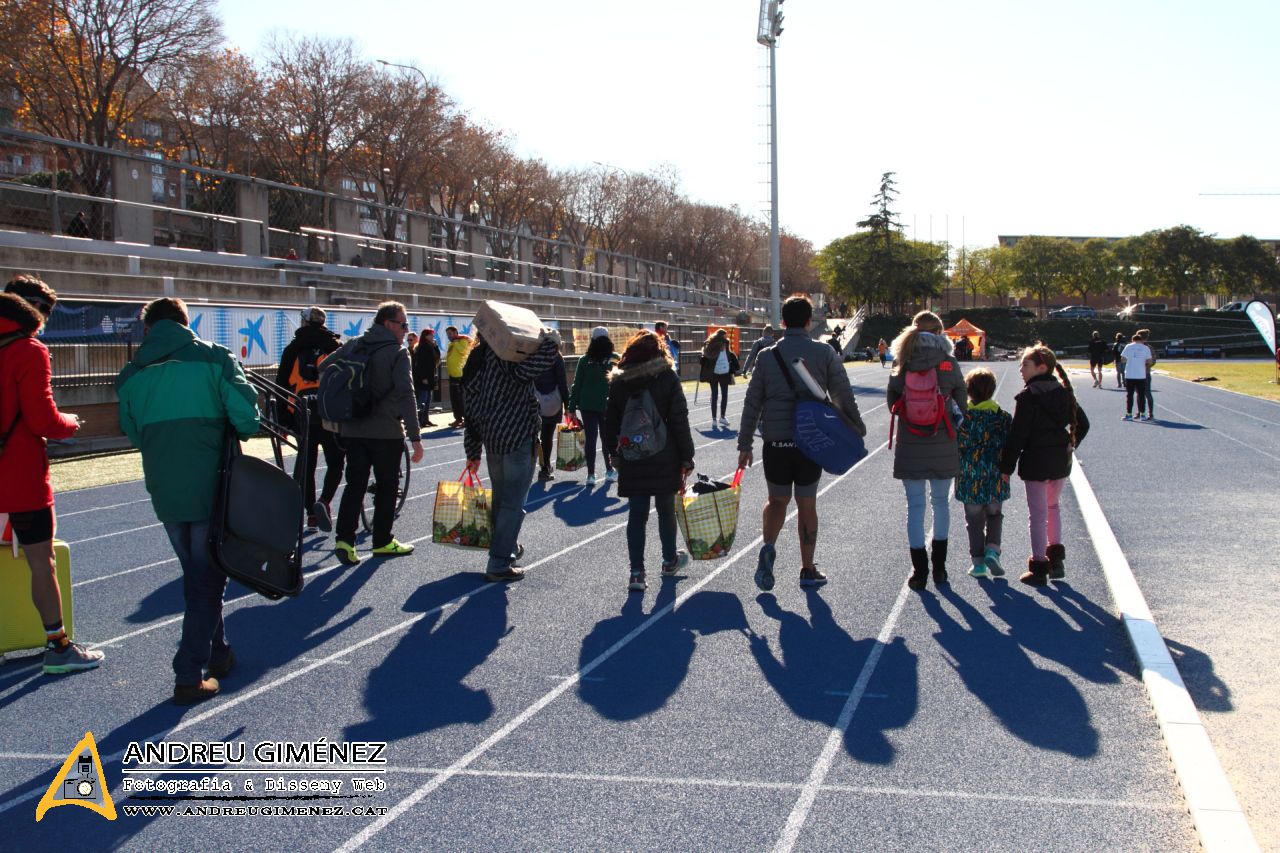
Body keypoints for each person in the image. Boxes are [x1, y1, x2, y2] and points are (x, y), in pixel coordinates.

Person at [116, 297, 259, 704]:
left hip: (164, 485)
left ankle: (219, 653)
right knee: (209, 578)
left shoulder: (130, 374)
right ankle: (188, 674)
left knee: (197, 576)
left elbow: (134, 432)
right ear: (184, 321)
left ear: (148, 328)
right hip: (212, 481)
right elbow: (248, 419)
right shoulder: (215, 358)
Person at [0, 277, 101, 675]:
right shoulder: (29, 350)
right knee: (41, 561)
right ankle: (58, 647)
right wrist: (70, 423)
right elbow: (43, 418)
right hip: (20, 478)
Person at [738, 295, 866, 591]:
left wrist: (745, 443)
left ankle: (768, 546)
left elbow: (752, 402)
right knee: (806, 503)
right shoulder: (824, 353)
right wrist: (856, 428)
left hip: (776, 441)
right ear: (810, 321)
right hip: (811, 440)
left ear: (782, 321)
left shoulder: (767, 356)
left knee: (776, 500)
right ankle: (807, 570)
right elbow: (843, 395)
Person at [463, 327, 561, 582]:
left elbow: (470, 411)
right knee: (512, 503)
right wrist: (550, 340)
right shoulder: (507, 357)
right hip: (517, 436)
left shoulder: (475, 360)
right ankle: (498, 562)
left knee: (501, 500)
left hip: (491, 439)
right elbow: (534, 366)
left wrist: (472, 450)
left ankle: (509, 545)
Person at [331, 301, 423, 566]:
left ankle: (344, 540)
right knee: (387, 486)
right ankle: (382, 541)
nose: (406, 330)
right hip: (385, 431)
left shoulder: (353, 344)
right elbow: (407, 394)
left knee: (355, 484)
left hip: (353, 428)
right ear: (388, 324)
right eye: (403, 324)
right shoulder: (397, 352)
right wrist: (416, 438)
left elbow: (326, 368)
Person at [604, 330, 694, 592]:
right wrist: (687, 455)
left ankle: (636, 572)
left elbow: (610, 421)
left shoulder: (619, 381)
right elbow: (679, 418)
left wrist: (614, 452)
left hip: (632, 454)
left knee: (637, 514)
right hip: (665, 453)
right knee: (666, 510)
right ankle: (668, 561)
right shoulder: (667, 376)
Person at [886, 310, 967, 591]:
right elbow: (962, 404)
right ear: (940, 333)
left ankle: (919, 572)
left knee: (915, 507)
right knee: (941, 503)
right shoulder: (949, 362)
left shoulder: (903, 361)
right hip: (943, 440)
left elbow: (892, 402)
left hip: (911, 442)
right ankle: (940, 569)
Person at [998, 343, 1089, 586]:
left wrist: (1006, 467)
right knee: (1053, 508)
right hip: (1060, 459)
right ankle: (1056, 560)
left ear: (1041, 367)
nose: (1020, 369)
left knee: (1037, 515)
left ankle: (1039, 567)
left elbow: (1018, 436)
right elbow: (1084, 423)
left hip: (1036, 461)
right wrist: (1072, 444)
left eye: (1025, 365)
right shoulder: (1063, 393)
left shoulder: (1028, 398)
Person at [275, 306, 344, 532]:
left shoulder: (293, 348)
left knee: (306, 464)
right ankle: (324, 501)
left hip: (301, 411)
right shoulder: (334, 346)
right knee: (336, 461)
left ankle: (311, 515)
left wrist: (283, 419)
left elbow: (280, 385)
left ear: (304, 322)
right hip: (330, 412)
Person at [954, 368, 1011, 579]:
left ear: (968, 391)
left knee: (974, 520)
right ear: (992, 390)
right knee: (995, 515)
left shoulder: (961, 418)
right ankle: (992, 550)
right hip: (994, 475)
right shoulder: (1003, 418)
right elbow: (1009, 446)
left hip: (969, 477)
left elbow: (956, 444)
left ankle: (978, 564)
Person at [567, 326, 617, 485]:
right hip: (607, 404)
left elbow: (577, 385)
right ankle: (609, 470)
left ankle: (590, 475)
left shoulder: (584, 359)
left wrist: (571, 407)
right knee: (607, 438)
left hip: (587, 404)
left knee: (591, 439)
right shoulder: (615, 358)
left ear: (592, 340)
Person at [533, 345, 569, 482]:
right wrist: (568, 406)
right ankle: (545, 468)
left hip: (534, 400)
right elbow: (562, 382)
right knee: (547, 435)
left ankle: (530, 468)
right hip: (552, 402)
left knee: (532, 436)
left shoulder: (532, 354)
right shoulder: (556, 356)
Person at [700, 329, 739, 428]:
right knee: (724, 394)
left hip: (712, 373)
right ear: (724, 335)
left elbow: (705, 356)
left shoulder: (709, 343)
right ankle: (722, 416)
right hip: (724, 372)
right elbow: (729, 356)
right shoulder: (725, 343)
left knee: (714, 395)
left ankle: (714, 419)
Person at [1120, 332, 1154, 421]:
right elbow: (1150, 361)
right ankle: (1143, 415)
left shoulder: (1128, 346)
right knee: (1142, 395)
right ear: (1141, 340)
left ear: (1132, 340)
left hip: (1130, 374)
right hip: (1141, 375)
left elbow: (1123, 359)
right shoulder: (1146, 348)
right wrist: (1143, 366)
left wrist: (1130, 360)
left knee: (1129, 395)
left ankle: (1129, 414)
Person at [444, 325, 471, 429]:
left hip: (459, 374)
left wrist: (455, 342)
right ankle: (458, 418)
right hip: (452, 374)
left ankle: (466, 419)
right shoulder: (452, 343)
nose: (448, 336)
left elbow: (463, 351)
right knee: (454, 398)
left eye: (450, 334)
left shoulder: (463, 341)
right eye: (447, 334)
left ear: (456, 333)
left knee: (461, 398)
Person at [413, 328, 441, 426]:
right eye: (431, 335)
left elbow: (437, 357)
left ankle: (425, 419)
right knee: (423, 399)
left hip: (430, 375)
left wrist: (436, 347)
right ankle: (419, 420)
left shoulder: (430, 346)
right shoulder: (422, 347)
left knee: (428, 399)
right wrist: (423, 377)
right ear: (425, 336)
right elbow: (421, 364)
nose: (432, 337)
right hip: (424, 377)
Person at [1137, 329, 1157, 419]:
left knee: (1147, 393)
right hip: (1136, 374)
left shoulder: (1149, 348)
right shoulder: (1134, 347)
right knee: (1138, 394)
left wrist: (1145, 364)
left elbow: (1153, 361)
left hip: (1145, 373)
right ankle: (1140, 412)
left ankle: (1150, 413)